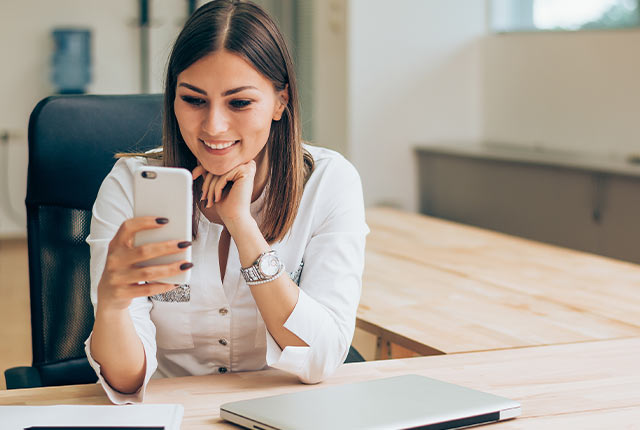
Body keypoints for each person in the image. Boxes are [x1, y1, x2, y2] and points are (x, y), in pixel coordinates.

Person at [85, 0, 368, 404]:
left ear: (280, 102)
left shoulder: (329, 181)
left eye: (239, 102)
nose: (214, 126)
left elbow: (320, 358)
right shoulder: (130, 187)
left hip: (286, 411)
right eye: (194, 100)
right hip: (173, 413)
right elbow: (126, 383)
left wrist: (242, 225)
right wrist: (111, 308)